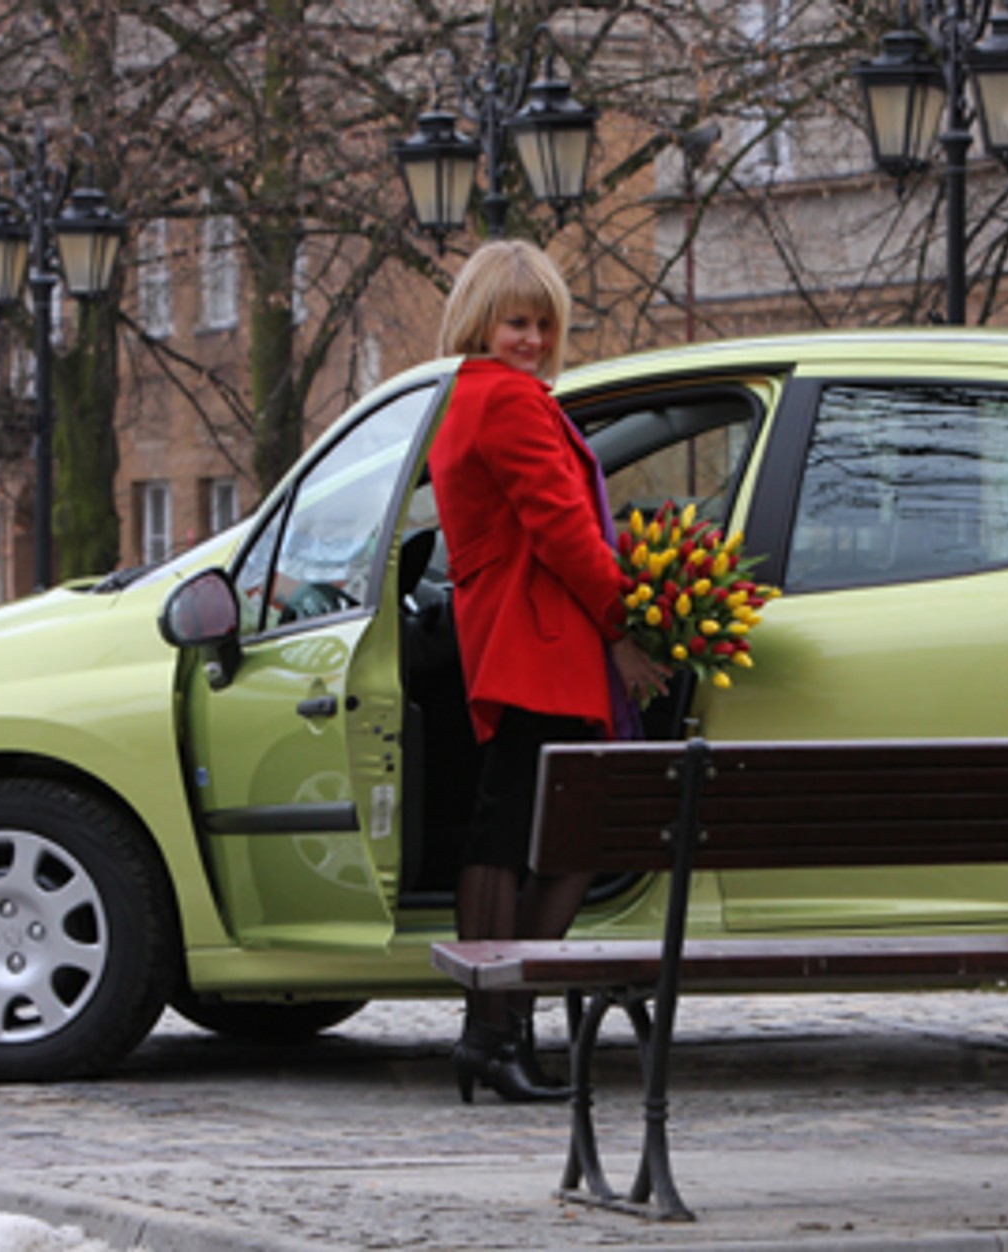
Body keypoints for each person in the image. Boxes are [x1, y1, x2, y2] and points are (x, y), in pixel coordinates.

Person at [428, 240, 670, 1104]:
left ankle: (495, 1029)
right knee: (541, 836)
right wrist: (624, 623)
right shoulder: (507, 402)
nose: (530, 339)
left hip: (518, 641)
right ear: (480, 321)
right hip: (541, 647)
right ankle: (497, 1026)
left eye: (542, 324)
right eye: (515, 322)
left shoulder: (477, 396)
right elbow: (567, 530)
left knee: (519, 832)